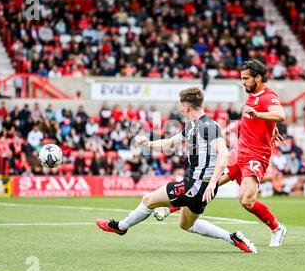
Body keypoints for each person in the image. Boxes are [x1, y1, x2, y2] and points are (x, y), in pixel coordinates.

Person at [96, 87, 258, 253]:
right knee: (186, 224)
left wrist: (212, 183)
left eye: (181, 106)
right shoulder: (193, 126)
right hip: (200, 186)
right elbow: (170, 143)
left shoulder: (207, 126)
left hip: (197, 185)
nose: (181, 109)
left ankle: (121, 226)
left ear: (186, 107)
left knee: (148, 200)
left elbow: (224, 154)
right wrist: (148, 144)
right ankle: (233, 238)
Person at [153, 60, 288, 247]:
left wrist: (260, 115)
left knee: (246, 200)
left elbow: (280, 114)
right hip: (239, 152)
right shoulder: (252, 96)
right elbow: (253, 120)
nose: (243, 82)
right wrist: (268, 127)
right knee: (208, 182)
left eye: (246, 78)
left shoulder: (268, 96)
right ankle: (170, 209)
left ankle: (277, 228)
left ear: (258, 77)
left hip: (257, 156)